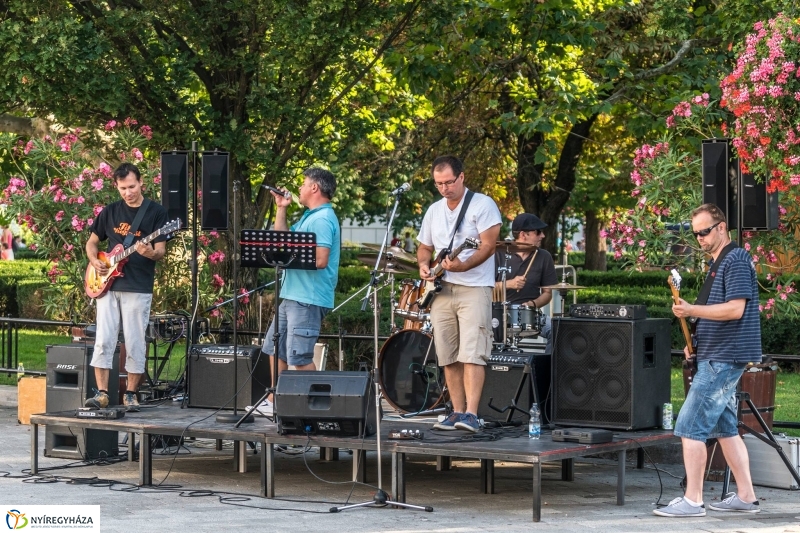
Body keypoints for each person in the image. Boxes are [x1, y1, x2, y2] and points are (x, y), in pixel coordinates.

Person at [656, 203, 761, 517]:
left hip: (724, 358)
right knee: (726, 429)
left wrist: (691, 311)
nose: (699, 238)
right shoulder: (718, 263)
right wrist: (695, 344)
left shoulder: (737, 258)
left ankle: (693, 500)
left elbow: (735, 310)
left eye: (704, 231)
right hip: (715, 355)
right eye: (696, 233)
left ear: (721, 227)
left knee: (689, 427)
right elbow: (717, 314)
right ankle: (746, 496)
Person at [417, 155, 501, 433]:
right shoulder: (433, 210)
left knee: (473, 352)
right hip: (441, 289)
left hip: (474, 287)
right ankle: (456, 411)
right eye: (438, 184)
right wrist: (423, 266)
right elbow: (424, 247)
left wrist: (463, 265)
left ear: (462, 177)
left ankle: (472, 415)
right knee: (447, 353)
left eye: (449, 182)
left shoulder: (483, 204)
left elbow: (488, 246)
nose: (444, 188)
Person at [84, 163, 169, 412]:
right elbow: (92, 242)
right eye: (123, 188)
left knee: (135, 341)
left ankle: (131, 394)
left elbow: (161, 252)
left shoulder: (156, 213)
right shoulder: (110, 211)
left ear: (141, 182)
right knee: (103, 339)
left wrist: (149, 251)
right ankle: (101, 394)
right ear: (116, 186)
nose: (128, 192)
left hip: (138, 285)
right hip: (107, 285)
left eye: (132, 186)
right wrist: (94, 261)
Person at [257, 167, 340, 415]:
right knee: (274, 349)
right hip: (293, 296)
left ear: (315, 187)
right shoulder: (308, 217)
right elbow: (280, 240)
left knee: (299, 357)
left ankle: (317, 409)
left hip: (308, 299)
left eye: (304, 184)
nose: (300, 188)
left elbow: (321, 259)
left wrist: (291, 256)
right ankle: (276, 402)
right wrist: (281, 207)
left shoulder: (322, 219)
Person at [493, 213, 557, 344]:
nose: (543, 236)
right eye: (538, 232)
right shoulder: (498, 253)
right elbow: (483, 287)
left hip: (530, 315)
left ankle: (544, 365)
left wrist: (532, 304)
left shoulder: (544, 256)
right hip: (497, 314)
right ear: (523, 234)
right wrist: (509, 284)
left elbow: (547, 293)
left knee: (557, 330)